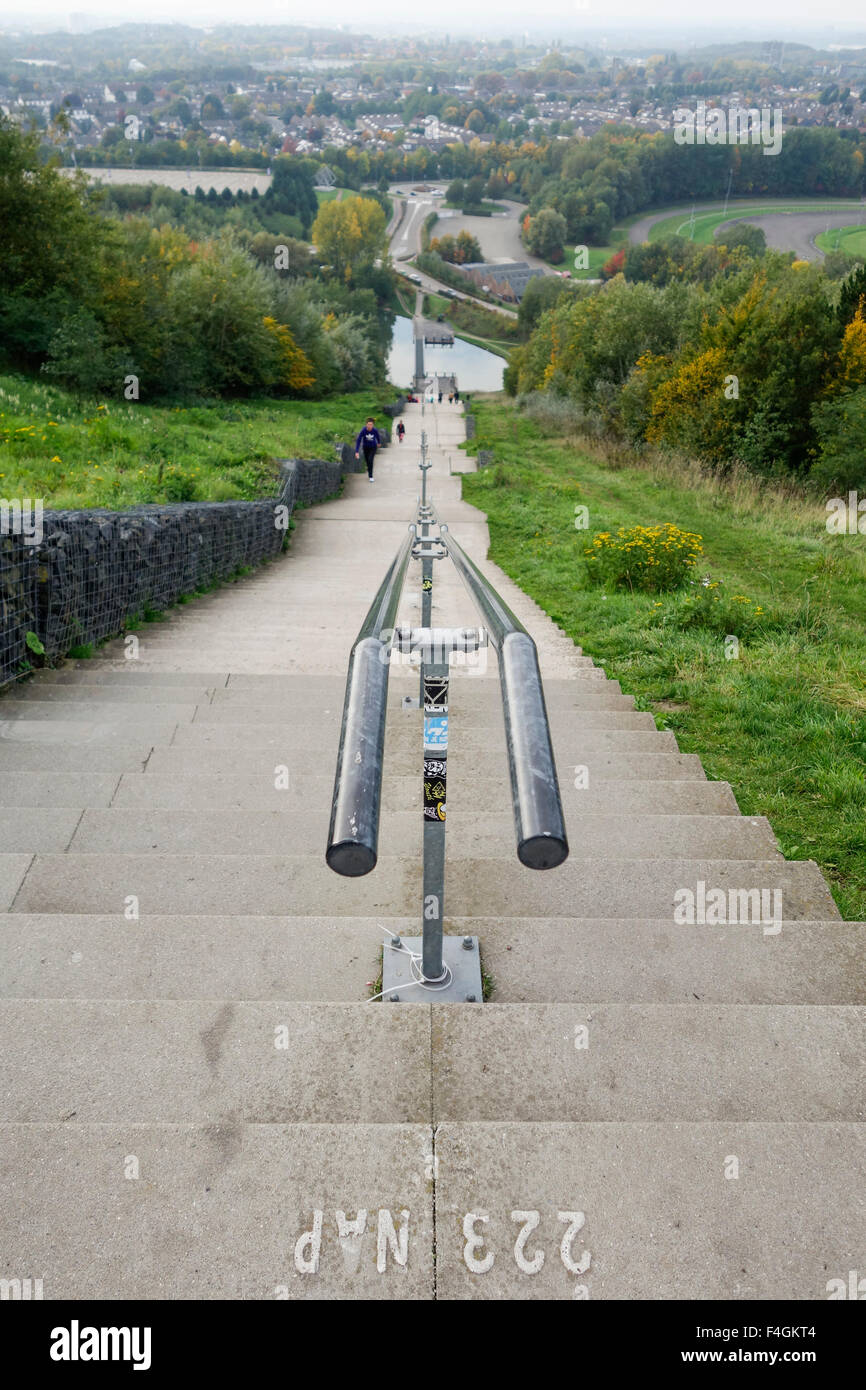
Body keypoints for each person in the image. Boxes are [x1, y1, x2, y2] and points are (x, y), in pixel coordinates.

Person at [355, 417, 381, 482]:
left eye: (371, 424)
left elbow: (378, 437)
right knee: (367, 461)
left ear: (373, 425)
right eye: (368, 424)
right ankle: (368, 467)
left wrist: (379, 443)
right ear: (366, 424)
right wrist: (357, 451)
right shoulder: (363, 430)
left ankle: (371, 476)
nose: (370, 426)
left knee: (370, 460)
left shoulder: (374, 430)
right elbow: (358, 440)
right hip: (365, 447)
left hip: (373, 447)